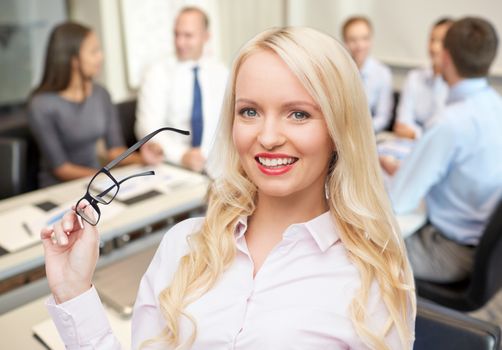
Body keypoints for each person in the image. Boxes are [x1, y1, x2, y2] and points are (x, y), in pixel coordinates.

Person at [41, 27, 415, 349]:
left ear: (338, 128)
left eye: (298, 113)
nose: (267, 137)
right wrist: (74, 291)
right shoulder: (183, 246)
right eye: (249, 111)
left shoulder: (372, 272)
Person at [384, 17, 502, 283]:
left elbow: (399, 200)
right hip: (485, 248)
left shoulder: (449, 122)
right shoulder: (496, 105)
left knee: (358, 248)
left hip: (450, 251)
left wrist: (398, 176)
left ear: (445, 57)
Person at [28, 22, 152, 187]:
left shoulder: (101, 94)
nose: (101, 57)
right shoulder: (41, 105)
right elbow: (61, 168)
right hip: (59, 189)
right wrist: (106, 179)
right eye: (94, 52)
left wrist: (143, 158)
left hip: (96, 183)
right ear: (73, 60)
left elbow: (115, 150)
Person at [135, 6, 228, 173]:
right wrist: (182, 155)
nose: (179, 42)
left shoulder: (221, 72)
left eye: (188, 35)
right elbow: (148, 127)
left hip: (217, 165)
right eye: (176, 34)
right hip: (174, 166)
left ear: (206, 36)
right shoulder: (157, 73)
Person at [394, 18, 453, 139]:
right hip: (410, 145)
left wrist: (416, 133)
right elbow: (402, 124)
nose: (434, 47)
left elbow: (446, 133)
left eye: (441, 41)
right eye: (432, 40)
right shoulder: (414, 77)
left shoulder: (456, 85)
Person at [342, 16, 393, 132]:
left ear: (371, 40)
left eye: (365, 39)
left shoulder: (382, 73)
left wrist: (361, 132)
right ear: (345, 42)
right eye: (353, 40)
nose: (360, 45)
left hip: (369, 133)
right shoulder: (338, 71)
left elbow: (383, 117)